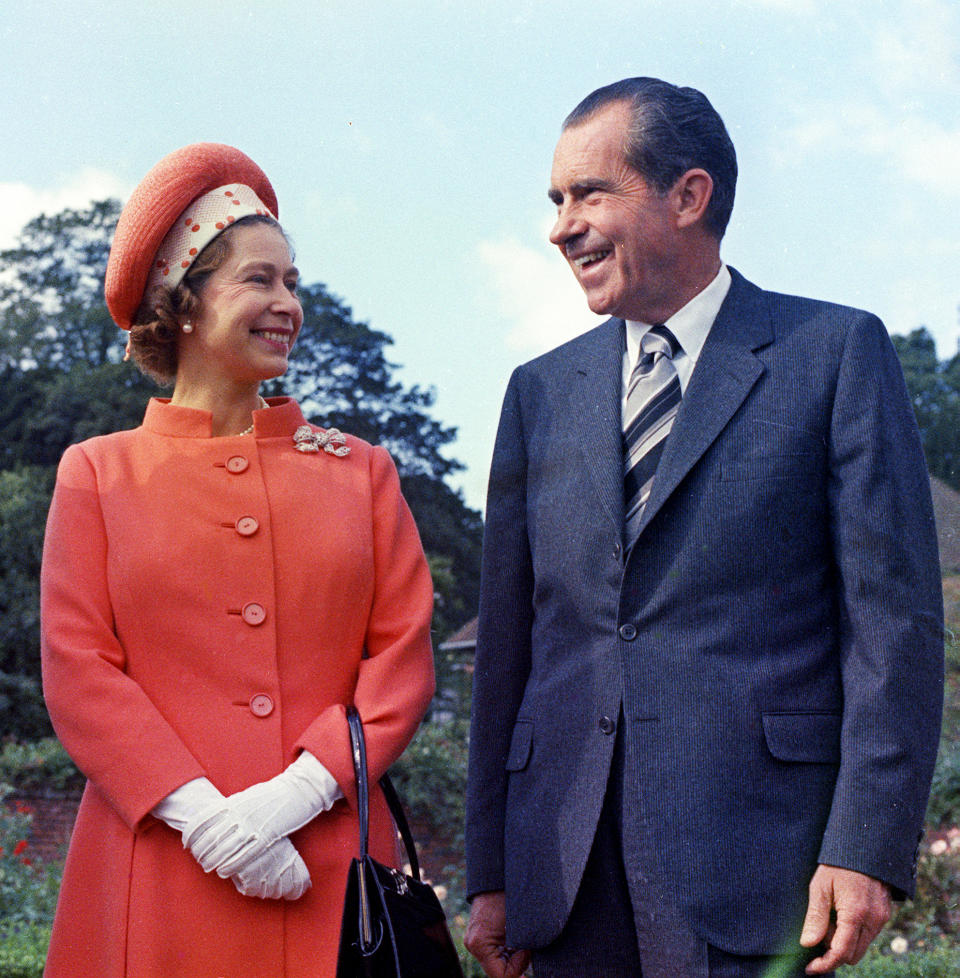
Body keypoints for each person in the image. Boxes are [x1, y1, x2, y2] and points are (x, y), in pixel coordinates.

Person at [464, 78, 944, 978]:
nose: (561, 226)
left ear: (688, 196)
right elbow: (508, 651)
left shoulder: (833, 354)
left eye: (590, 193)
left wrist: (868, 844)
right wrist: (490, 870)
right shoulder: (538, 392)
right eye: (556, 200)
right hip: (561, 878)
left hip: (761, 867)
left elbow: (895, 626)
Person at [40, 142, 435, 977]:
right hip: (155, 865)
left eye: (293, 281)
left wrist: (296, 796)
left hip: (332, 868)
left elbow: (400, 660)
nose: (287, 302)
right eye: (259, 280)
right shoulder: (98, 473)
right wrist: (203, 818)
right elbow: (78, 669)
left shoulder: (361, 472)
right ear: (183, 301)